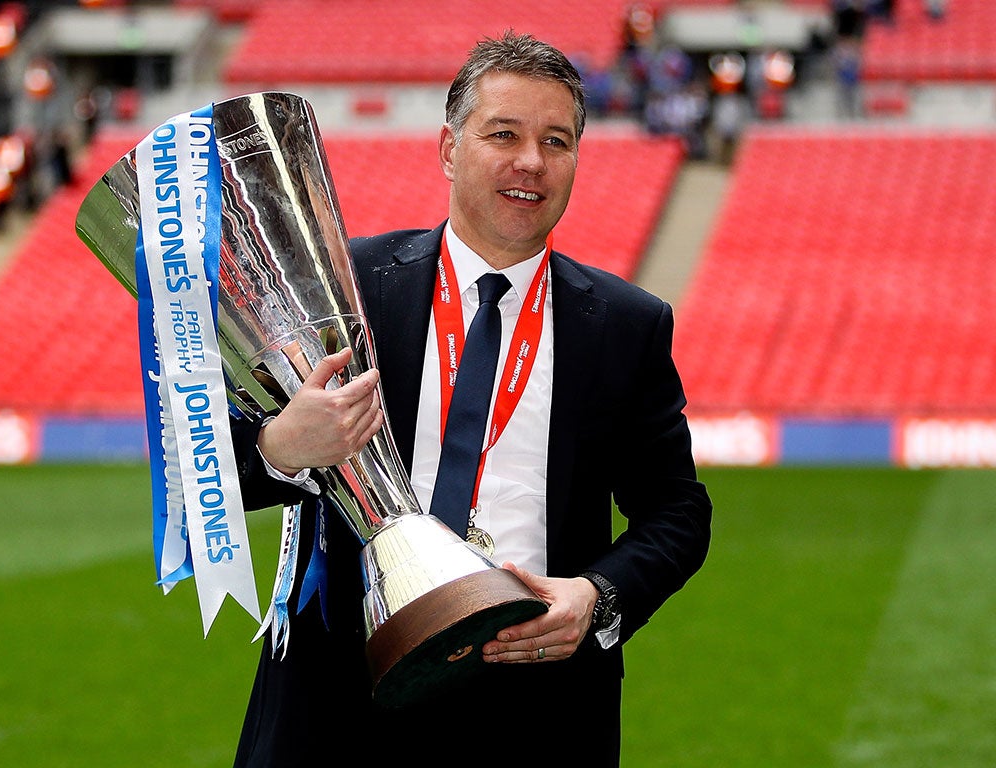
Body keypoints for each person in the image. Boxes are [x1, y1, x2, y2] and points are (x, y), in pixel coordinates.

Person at [230, 30, 712, 768]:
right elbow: (213, 469)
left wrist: (597, 596)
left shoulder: (625, 325)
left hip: (537, 701)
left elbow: (677, 511)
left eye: (556, 141)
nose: (532, 161)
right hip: (341, 697)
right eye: (504, 134)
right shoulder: (343, 287)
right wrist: (283, 448)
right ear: (450, 149)